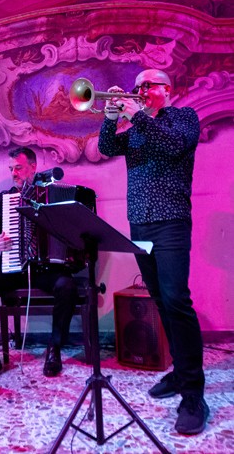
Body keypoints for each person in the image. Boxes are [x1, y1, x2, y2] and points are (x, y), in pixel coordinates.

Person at [98, 69, 208, 435]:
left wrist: (138, 115)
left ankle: (193, 394)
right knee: (160, 300)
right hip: (140, 224)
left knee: (177, 300)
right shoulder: (135, 129)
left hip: (171, 220)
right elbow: (107, 147)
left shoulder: (183, 118)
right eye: (137, 86)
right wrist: (110, 116)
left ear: (167, 88)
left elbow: (174, 146)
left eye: (148, 85)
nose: (141, 90)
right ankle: (179, 372)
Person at [0, 147, 79, 388]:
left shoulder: (52, 196)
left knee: (66, 285)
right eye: (11, 169)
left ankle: (55, 347)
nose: (13, 173)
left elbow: (73, 232)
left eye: (18, 168)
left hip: (46, 270)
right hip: (12, 268)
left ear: (33, 167)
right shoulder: (3, 200)